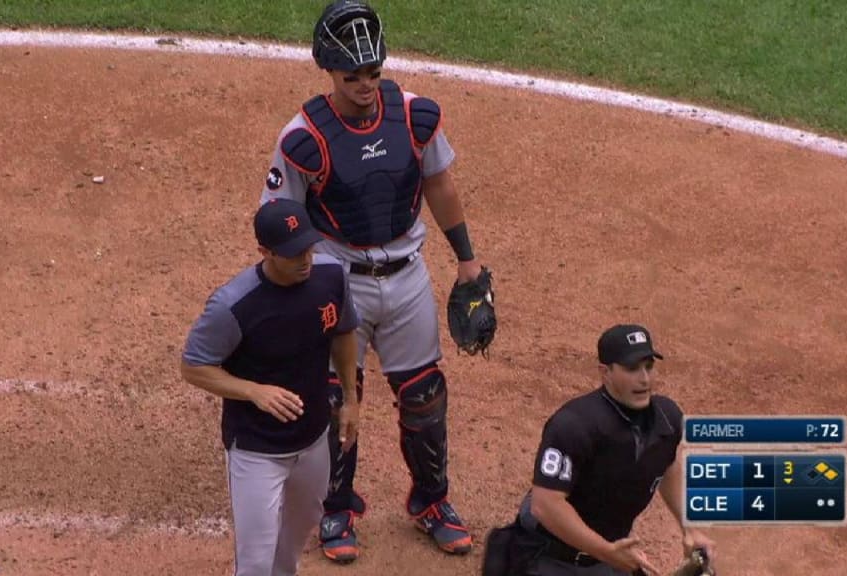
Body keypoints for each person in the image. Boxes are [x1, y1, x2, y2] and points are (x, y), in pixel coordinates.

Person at [260, 0, 488, 563]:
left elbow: (439, 184)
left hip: (407, 275)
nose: (365, 86)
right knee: (337, 398)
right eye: (352, 76)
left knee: (425, 396)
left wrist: (468, 261)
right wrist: (295, 283)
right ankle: (336, 507)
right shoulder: (303, 138)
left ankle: (431, 500)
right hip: (339, 278)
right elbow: (278, 218)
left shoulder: (412, 116)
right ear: (329, 73)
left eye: (373, 74)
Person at [180, 199, 361, 576]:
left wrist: (351, 398)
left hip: (313, 439)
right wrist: (253, 391)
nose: (305, 259)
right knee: (256, 562)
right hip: (256, 450)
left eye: (309, 247)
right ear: (265, 251)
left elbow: (344, 333)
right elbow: (193, 366)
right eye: (294, 253)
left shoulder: (330, 276)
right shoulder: (234, 305)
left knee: (294, 540)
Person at [509, 324, 716, 575]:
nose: (644, 378)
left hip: (609, 552)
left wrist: (689, 527)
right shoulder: (574, 424)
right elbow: (545, 505)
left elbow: (667, 461)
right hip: (549, 555)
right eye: (632, 369)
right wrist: (606, 553)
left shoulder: (667, 418)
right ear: (605, 372)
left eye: (649, 367)